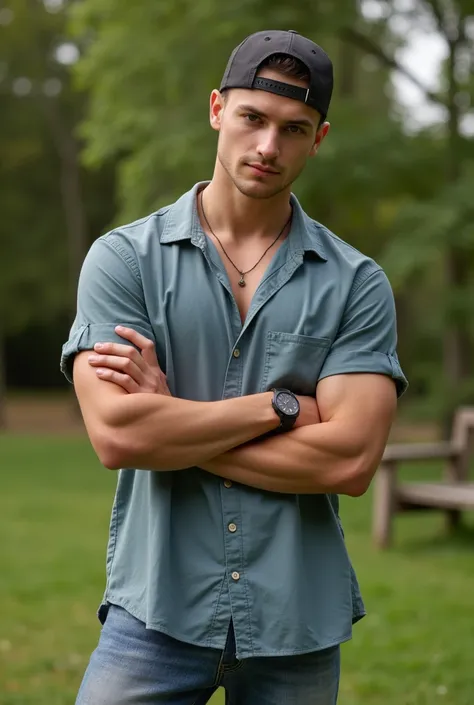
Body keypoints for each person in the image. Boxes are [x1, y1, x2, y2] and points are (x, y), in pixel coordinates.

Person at [61, 29, 407, 705]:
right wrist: (279, 409)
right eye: (253, 118)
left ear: (320, 138)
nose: (268, 147)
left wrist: (175, 427)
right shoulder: (124, 261)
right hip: (155, 612)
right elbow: (120, 438)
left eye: (293, 128)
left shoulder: (355, 283)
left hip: (296, 621)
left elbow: (349, 462)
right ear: (218, 109)